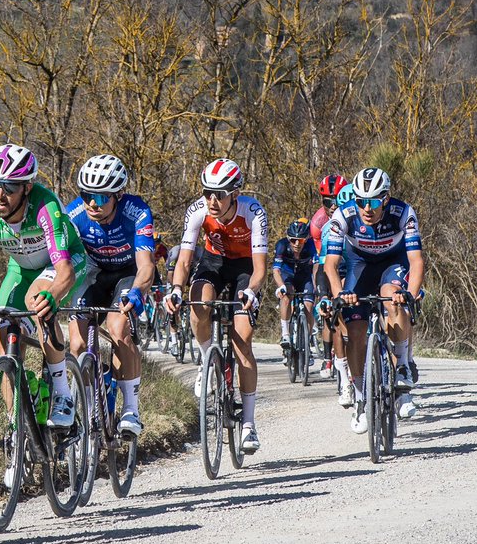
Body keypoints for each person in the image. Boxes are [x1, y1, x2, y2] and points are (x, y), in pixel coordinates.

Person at [0, 144, 89, 445]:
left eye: (9, 186)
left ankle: (62, 393)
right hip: (20, 269)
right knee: (3, 327)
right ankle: (17, 426)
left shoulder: (46, 207)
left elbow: (65, 272)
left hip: (65, 262)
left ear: (27, 187)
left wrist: (53, 296)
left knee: (37, 300)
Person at [164, 158, 269, 453]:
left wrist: (250, 291)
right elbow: (185, 259)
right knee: (197, 300)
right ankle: (206, 359)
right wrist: (175, 289)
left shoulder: (253, 212)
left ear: (234, 193)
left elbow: (261, 268)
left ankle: (248, 424)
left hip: (246, 269)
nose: (212, 200)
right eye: (206, 192)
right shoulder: (198, 210)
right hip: (213, 263)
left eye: (219, 194)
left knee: (243, 341)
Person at [324, 167, 424, 433]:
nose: (366, 208)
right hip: (359, 265)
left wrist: (410, 296)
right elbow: (331, 265)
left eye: (374, 201)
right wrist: (339, 296)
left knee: (393, 299)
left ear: (386, 198)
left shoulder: (403, 213)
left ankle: (401, 366)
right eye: (360, 201)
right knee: (354, 330)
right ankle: (360, 397)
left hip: (393, 263)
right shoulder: (343, 215)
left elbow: (416, 261)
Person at [65, 154, 155, 436]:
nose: (93, 203)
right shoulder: (74, 214)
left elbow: (146, 266)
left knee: (118, 328)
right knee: (78, 344)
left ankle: (131, 408)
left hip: (128, 273)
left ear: (118, 195)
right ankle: (91, 401)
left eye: (102, 197)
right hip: (93, 272)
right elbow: (61, 261)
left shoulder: (137, 212)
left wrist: (138, 292)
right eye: (87, 195)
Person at [310, 175, 347, 378]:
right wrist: (322, 294)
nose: (333, 206)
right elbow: (322, 262)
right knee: (329, 307)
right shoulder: (318, 224)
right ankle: (328, 358)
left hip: (352, 264)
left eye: (337, 200)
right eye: (327, 202)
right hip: (330, 262)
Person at [272, 218, 317, 350]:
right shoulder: (281, 245)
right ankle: (285, 333)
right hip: (288, 275)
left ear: (306, 239)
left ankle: (307, 342)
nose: (297, 244)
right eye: (293, 240)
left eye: (301, 240)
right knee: (286, 296)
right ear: (288, 238)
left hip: (305, 276)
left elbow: (316, 267)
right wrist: (280, 286)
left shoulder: (310, 245)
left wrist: (316, 285)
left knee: (309, 305)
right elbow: (276, 270)